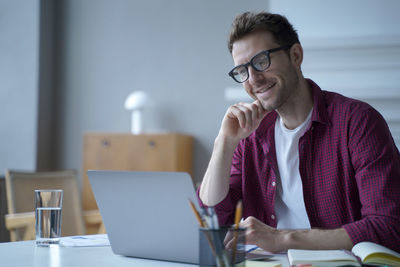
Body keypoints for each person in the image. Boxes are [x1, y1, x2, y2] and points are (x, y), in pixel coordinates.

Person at [198, 11, 400, 253]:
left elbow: (389, 226)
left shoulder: (358, 122)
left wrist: (283, 239)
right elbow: (214, 221)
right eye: (242, 71)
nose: (253, 79)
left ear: (295, 55)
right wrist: (225, 141)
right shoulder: (249, 136)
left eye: (261, 61)